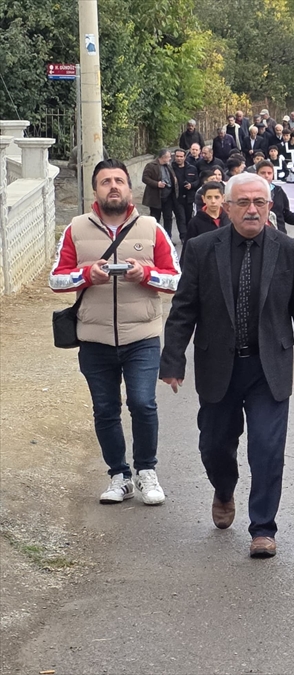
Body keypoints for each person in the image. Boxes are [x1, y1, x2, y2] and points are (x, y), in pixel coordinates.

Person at [160, 172, 294, 559]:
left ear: (270, 207)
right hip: (219, 365)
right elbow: (184, 309)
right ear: (228, 207)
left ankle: (263, 528)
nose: (253, 210)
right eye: (244, 203)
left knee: (267, 449)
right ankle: (223, 488)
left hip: (268, 368)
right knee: (215, 446)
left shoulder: (288, 250)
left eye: (260, 203)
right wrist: (173, 361)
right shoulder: (201, 248)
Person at [49, 159, 181, 505]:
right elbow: (56, 278)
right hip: (94, 338)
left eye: (119, 181)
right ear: (95, 190)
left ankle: (146, 471)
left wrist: (147, 274)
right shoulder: (75, 229)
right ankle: (118, 475)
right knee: (105, 409)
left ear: (129, 187)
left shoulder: (152, 228)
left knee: (143, 403)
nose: (113, 187)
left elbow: (176, 278)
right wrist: (86, 274)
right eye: (105, 181)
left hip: (142, 336)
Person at [255, 161, 294, 235]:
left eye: (269, 173)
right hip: (258, 235)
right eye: (263, 173)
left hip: (278, 236)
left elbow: (286, 215)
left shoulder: (279, 191)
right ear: (256, 174)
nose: (266, 176)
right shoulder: (249, 192)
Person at [142, 148, 179, 238]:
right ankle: (154, 237)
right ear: (163, 157)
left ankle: (168, 238)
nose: (170, 159)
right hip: (156, 197)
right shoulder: (151, 165)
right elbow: (145, 178)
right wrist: (157, 184)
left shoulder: (168, 165)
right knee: (155, 218)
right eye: (169, 157)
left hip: (168, 196)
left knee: (168, 218)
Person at [185, 181, 231, 247]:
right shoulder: (195, 223)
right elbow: (188, 248)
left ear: (223, 198)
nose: (213, 201)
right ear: (203, 199)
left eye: (217, 197)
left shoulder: (230, 218)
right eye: (209, 197)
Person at [172, 147, 198, 229]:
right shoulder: (171, 168)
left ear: (185, 157)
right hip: (177, 198)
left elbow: (197, 181)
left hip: (189, 197)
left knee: (188, 218)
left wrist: (191, 185)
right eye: (177, 156)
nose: (179, 158)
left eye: (181, 156)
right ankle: (183, 237)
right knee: (181, 218)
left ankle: (188, 236)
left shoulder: (192, 168)